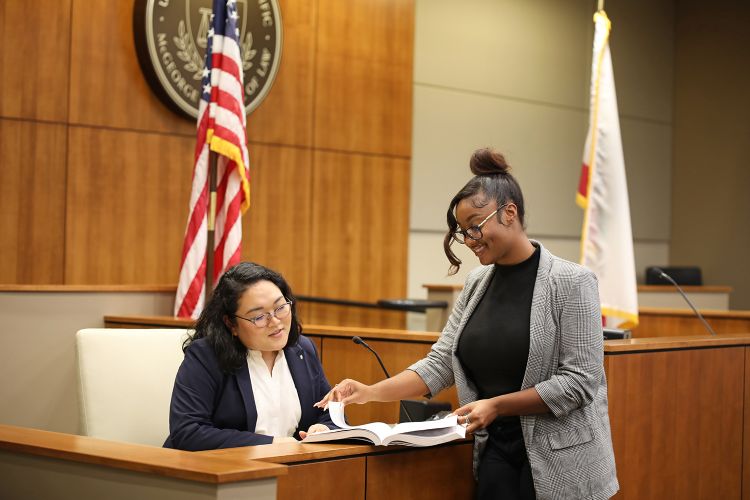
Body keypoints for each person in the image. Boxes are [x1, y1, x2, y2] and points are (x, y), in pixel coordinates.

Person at [317, 148, 618, 499]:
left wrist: (497, 405)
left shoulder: (572, 281)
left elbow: (580, 383)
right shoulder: (477, 282)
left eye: (475, 226)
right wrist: (370, 392)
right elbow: (442, 362)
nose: (470, 239)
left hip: (563, 461)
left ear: (509, 213)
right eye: (463, 231)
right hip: (496, 453)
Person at [164, 262, 333, 451]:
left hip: (290, 471)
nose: (275, 321)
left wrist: (323, 429)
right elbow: (187, 432)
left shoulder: (302, 349)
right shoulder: (207, 356)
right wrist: (269, 444)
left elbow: (328, 412)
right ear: (231, 324)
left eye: (280, 307)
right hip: (219, 472)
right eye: (259, 317)